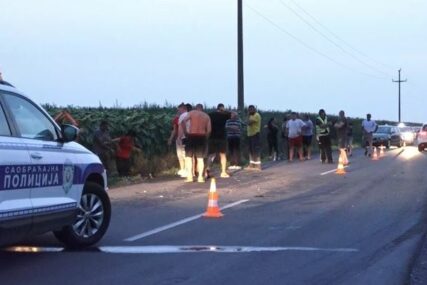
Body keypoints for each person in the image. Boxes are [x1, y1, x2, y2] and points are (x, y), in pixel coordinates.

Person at [181, 104, 211, 183]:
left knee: (188, 157)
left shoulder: (191, 113)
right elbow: (209, 130)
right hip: (201, 137)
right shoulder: (206, 116)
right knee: (200, 158)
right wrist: (206, 138)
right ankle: (200, 177)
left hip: (191, 136)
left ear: (196, 108)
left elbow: (183, 121)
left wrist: (186, 132)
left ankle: (190, 177)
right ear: (202, 109)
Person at [207, 103, 231, 178]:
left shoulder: (210, 115)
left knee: (211, 155)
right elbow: (234, 114)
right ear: (222, 108)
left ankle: (207, 170)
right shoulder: (224, 115)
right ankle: (223, 172)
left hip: (212, 137)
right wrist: (225, 111)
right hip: (221, 138)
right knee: (223, 155)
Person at [168, 103, 187, 178]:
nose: (178, 111)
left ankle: (186, 169)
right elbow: (174, 130)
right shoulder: (176, 119)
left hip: (184, 138)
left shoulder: (187, 116)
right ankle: (182, 169)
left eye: (179, 110)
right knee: (180, 155)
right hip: (178, 139)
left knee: (185, 154)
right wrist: (171, 139)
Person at [246, 105, 262, 170]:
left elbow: (249, 122)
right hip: (250, 134)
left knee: (255, 150)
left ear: (255, 109)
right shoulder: (251, 116)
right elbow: (247, 122)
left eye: (252, 109)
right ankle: (251, 165)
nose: (250, 111)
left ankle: (258, 166)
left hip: (255, 134)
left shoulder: (256, 115)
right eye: (249, 110)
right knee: (251, 150)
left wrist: (248, 115)